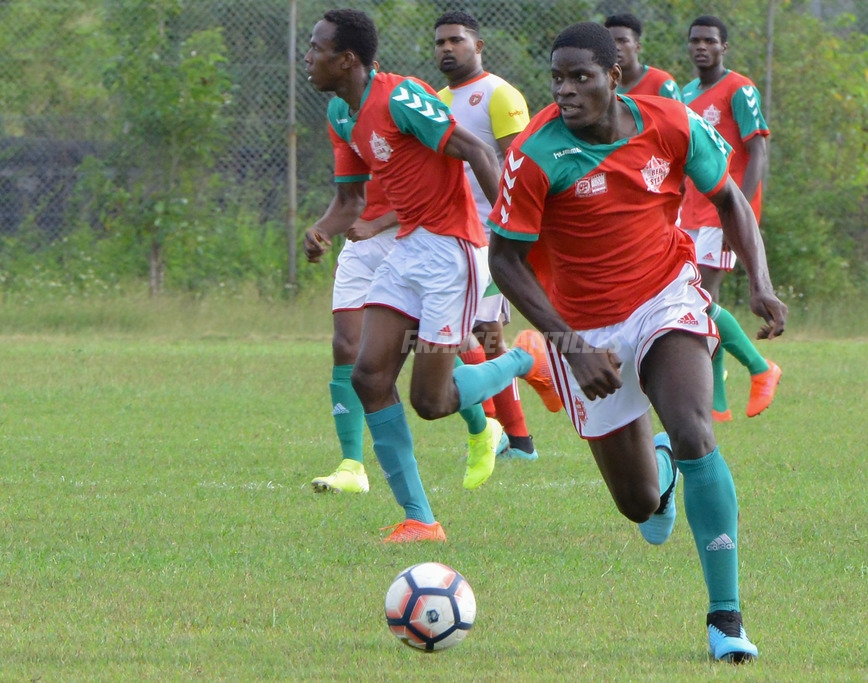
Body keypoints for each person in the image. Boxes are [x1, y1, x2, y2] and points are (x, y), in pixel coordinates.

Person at [488, 22, 787, 662]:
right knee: (638, 505)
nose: (566, 90)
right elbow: (505, 261)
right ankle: (663, 478)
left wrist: (759, 282)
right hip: (583, 327)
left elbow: (730, 198)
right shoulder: (536, 154)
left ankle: (726, 620)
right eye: (557, 78)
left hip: (664, 293)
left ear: (614, 76)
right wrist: (568, 344)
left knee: (693, 427)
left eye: (580, 77)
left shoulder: (671, 122)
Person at [302, 8, 547, 543]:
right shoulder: (345, 114)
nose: (309, 57)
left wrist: (507, 236)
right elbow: (351, 200)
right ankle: (421, 520)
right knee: (369, 377)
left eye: (317, 48)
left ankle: (526, 358)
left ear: (346, 60)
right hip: (409, 250)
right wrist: (323, 229)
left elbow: (478, 150)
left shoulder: (400, 96)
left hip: (450, 254)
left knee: (431, 403)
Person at [433, 10, 553, 461]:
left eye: (456, 41)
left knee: (479, 334)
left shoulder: (499, 95)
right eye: (440, 42)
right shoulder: (436, 99)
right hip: (448, 237)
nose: (447, 48)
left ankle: (506, 435)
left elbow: (523, 165)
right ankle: (513, 438)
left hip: (490, 238)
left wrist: (519, 233)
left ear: (478, 46)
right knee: (477, 336)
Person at [679, 15, 781, 422]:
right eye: (695, 41)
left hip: (721, 213)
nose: (701, 47)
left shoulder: (740, 88)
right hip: (688, 212)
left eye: (710, 41)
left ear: (724, 48)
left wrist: (740, 217)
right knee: (702, 300)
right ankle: (718, 403)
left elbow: (757, 153)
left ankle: (760, 368)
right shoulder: (685, 93)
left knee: (699, 296)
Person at [310, 178, 397, 494]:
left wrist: (376, 225)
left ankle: (483, 427)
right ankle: (352, 467)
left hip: (415, 238)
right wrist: (323, 229)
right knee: (346, 346)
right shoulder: (343, 127)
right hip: (361, 242)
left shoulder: (415, 126)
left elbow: (434, 192)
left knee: (430, 348)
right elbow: (349, 195)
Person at [604, 13, 682, 101]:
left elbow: (679, 114)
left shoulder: (661, 83)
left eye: (623, 41)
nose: (616, 47)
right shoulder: (603, 85)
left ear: (638, 46)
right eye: (611, 41)